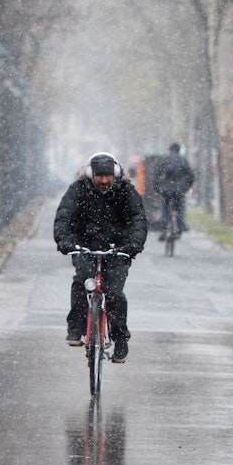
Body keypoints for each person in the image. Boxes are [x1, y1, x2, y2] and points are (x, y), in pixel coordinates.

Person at [54, 152, 147, 363]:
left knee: (114, 293)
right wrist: (65, 241)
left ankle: (120, 339)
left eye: (108, 176)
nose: (104, 181)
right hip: (85, 247)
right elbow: (64, 217)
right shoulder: (77, 191)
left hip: (118, 250)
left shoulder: (126, 191)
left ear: (115, 175)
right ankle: (75, 328)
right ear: (91, 175)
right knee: (82, 282)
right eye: (99, 176)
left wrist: (134, 244)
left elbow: (138, 219)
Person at [154, 142, 195, 239]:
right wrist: (187, 187)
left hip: (166, 189)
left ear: (169, 149)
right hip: (179, 189)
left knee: (165, 207)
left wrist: (157, 188)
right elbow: (190, 175)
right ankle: (180, 227)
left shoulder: (164, 159)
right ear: (179, 150)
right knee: (179, 207)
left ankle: (164, 227)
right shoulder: (183, 160)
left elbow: (156, 174)